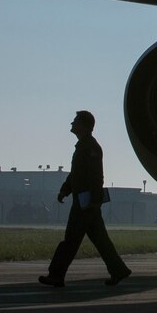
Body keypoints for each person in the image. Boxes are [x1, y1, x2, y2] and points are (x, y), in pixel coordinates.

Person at [39, 110, 132, 288]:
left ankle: (56, 275)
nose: (72, 124)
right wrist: (65, 190)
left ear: (83, 125)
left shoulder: (90, 148)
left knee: (71, 240)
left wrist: (93, 201)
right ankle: (118, 270)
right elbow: (76, 174)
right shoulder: (84, 146)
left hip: (85, 203)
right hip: (85, 202)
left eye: (75, 121)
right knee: (100, 240)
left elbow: (97, 176)